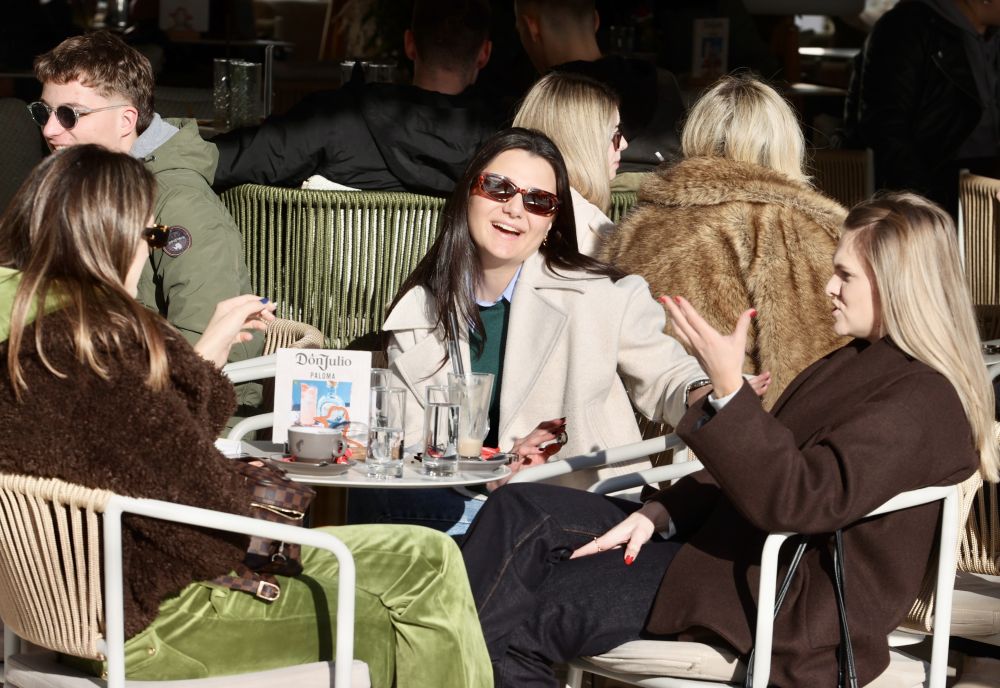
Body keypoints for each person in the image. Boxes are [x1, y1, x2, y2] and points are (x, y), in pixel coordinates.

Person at [0, 144, 492, 687]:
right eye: (153, 235)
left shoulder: (30, 351)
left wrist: (205, 352)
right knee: (416, 572)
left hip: (70, 628)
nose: (152, 250)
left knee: (401, 578)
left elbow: (146, 449)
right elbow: (209, 524)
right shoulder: (110, 354)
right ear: (114, 237)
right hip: (159, 625)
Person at [462, 191, 996, 687]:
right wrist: (666, 510)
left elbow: (801, 498)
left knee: (526, 616)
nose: (828, 288)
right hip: (731, 546)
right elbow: (765, 461)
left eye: (845, 275)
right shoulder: (857, 362)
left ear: (897, 285)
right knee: (520, 506)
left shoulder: (923, 401)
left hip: (782, 593)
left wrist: (728, 389)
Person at [346, 127, 729, 536]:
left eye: (538, 201)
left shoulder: (599, 295)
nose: (515, 209)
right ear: (468, 195)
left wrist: (712, 392)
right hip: (463, 502)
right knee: (376, 495)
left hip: (577, 505)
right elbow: (412, 443)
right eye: (498, 188)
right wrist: (496, 465)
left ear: (551, 222)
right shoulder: (421, 311)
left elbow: (669, 376)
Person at [30, 31, 264, 390]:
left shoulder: (179, 205)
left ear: (126, 121)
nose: (49, 129)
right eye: (44, 112)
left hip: (171, 402)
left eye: (69, 115)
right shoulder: (76, 186)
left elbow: (210, 349)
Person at [602, 75, 848, 408]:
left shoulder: (639, 227)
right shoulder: (799, 231)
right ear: (787, 144)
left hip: (655, 432)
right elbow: (816, 373)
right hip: (740, 429)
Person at [211, 0, 499, 196]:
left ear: (409, 44)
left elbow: (223, 161)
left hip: (325, 273)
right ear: (484, 54)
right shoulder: (502, 150)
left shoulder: (339, 118)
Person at [842, 0, 1000, 218]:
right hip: (936, 185)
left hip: (987, 180)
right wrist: (923, 201)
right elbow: (884, 129)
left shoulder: (992, 36)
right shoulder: (905, 28)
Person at [514, 0, 687, 179]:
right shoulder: (664, 82)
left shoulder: (543, 103)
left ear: (531, 28)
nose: (622, 144)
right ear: (596, 21)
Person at [512, 71, 626, 256]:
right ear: (581, 143)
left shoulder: (495, 203)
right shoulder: (596, 239)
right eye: (615, 135)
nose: (623, 144)